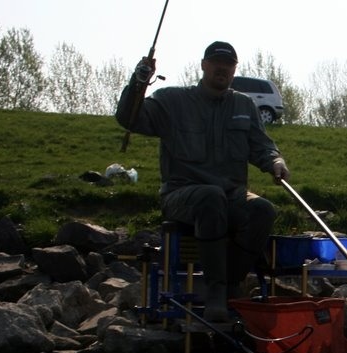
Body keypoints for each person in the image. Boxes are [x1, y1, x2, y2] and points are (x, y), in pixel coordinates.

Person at [115, 41, 289, 322]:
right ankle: (216, 292)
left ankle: (232, 282)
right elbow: (128, 118)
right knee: (211, 197)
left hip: (232, 195)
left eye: (229, 64)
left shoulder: (244, 105)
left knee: (263, 210)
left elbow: (263, 147)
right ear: (204, 65)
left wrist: (276, 162)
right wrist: (138, 84)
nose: (222, 68)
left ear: (234, 70)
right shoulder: (171, 100)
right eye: (216, 62)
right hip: (180, 195)